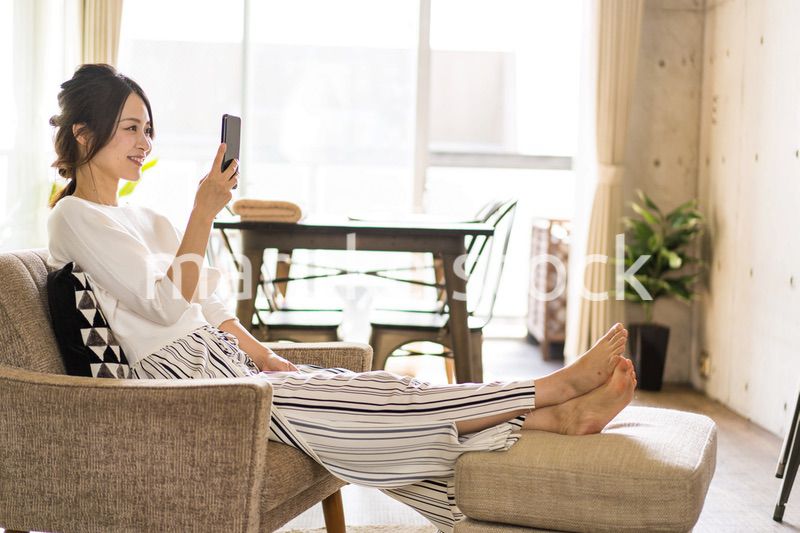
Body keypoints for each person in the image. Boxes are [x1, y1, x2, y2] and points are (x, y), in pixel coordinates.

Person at [46, 64, 637, 533]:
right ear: (84, 133)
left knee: (376, 393)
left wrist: (266, 355)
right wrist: (203, 211)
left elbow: (210, 306)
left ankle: (553, 417)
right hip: (184, 386)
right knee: (379, 404)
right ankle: (548, 391)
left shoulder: (146, 217)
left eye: (148, 128)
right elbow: (165, 308)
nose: (144, 141)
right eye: (131, 127)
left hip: (221, 362)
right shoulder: (72, 217)